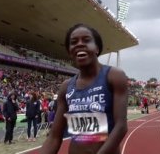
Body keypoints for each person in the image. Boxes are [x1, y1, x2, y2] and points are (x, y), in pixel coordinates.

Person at [41, 23, 128, 154]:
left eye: (86, 40)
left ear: (97, 48)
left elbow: (121, 126)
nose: (79, 44)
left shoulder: (114, 76)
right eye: (74, 42)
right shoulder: (66, 87)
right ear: (70, 52)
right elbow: (54, 136)